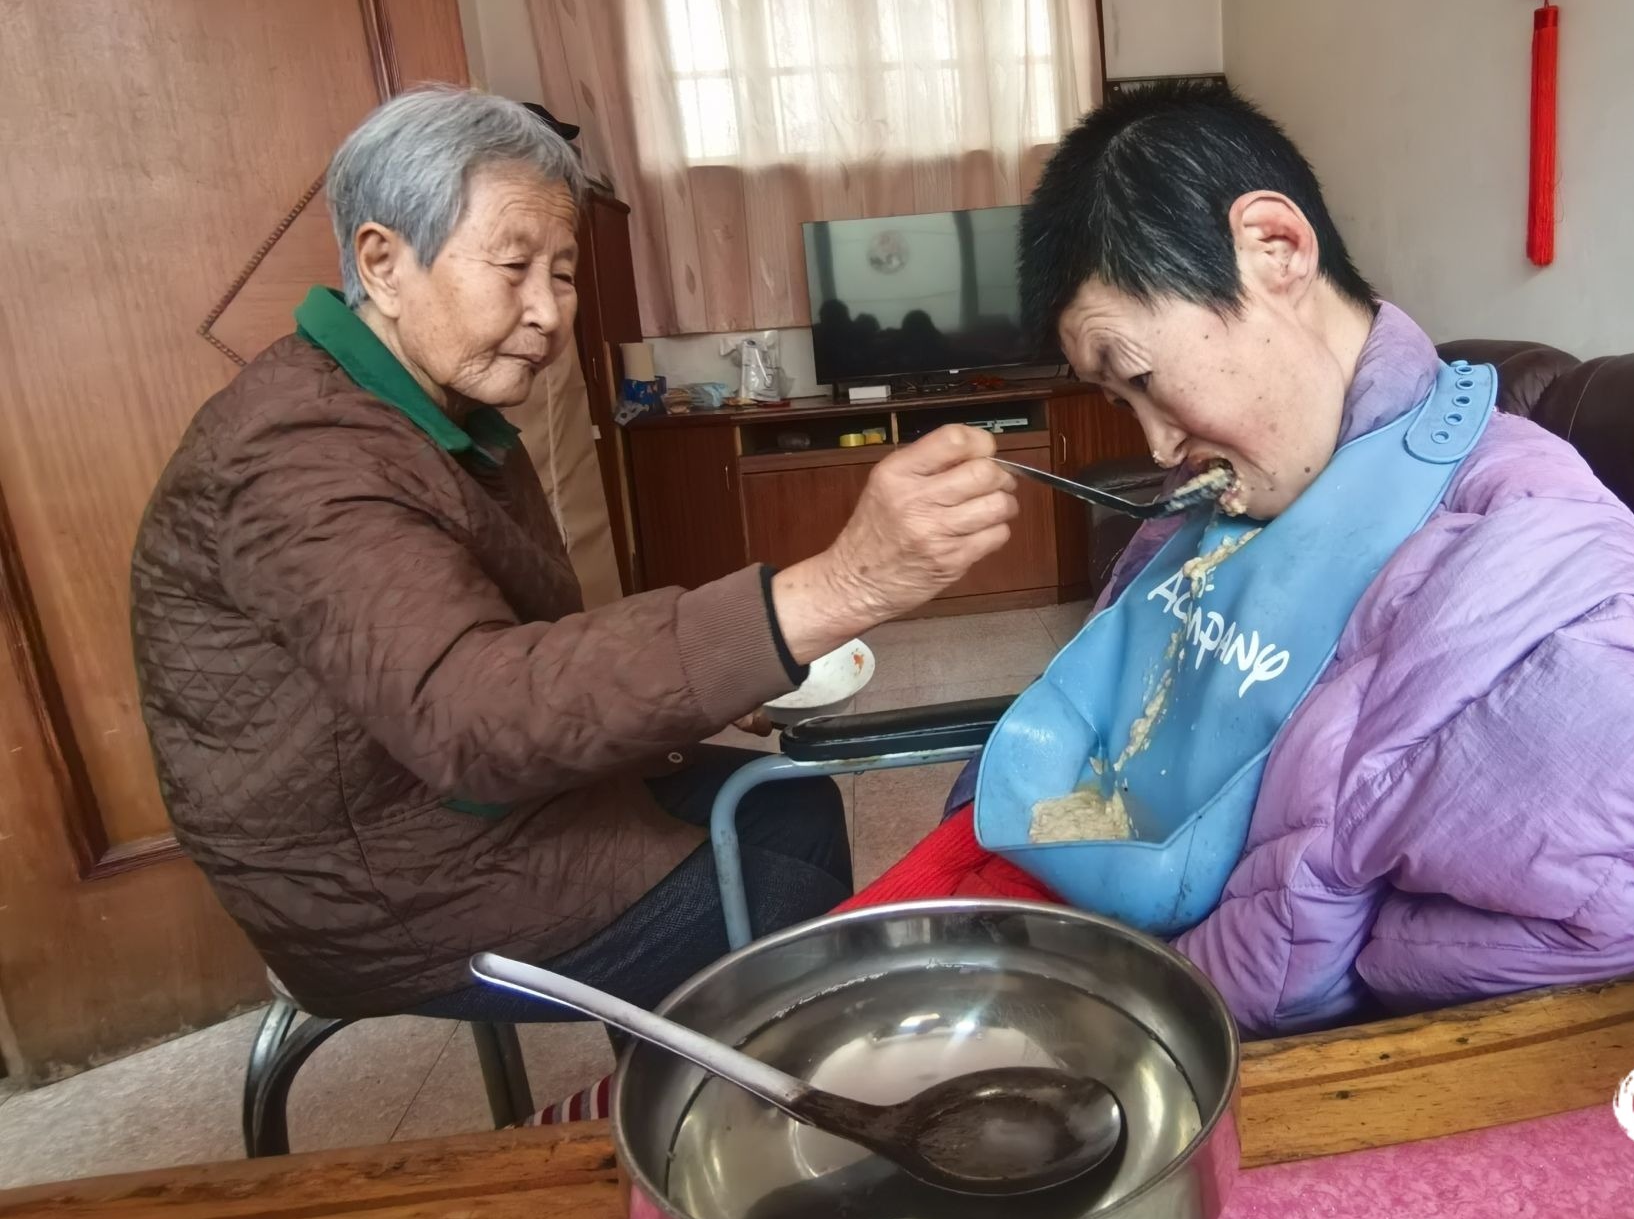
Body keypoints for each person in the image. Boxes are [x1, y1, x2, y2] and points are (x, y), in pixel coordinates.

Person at [852, 80, 1634, 1037]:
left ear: (1275, 249)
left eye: (1143, 378)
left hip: (1206, 1024)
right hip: (1087, 925)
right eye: (1118, 401)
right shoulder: (1219, 498)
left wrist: (1352, 952)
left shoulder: (1510, 548)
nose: (1155, 445)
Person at [129, 87, 1018, 1021]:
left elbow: (516, 643)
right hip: (387, 881)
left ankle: (719, 1070)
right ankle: (733, 1084)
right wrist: (840, 586)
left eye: (561, 273)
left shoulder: (425, 409)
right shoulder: (299, 454)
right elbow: (473, 713)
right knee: (780, 911)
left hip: (459, 808)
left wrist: (710, 680)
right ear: (384, 264)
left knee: (790, 803)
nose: (549, 311)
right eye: (514, 266)